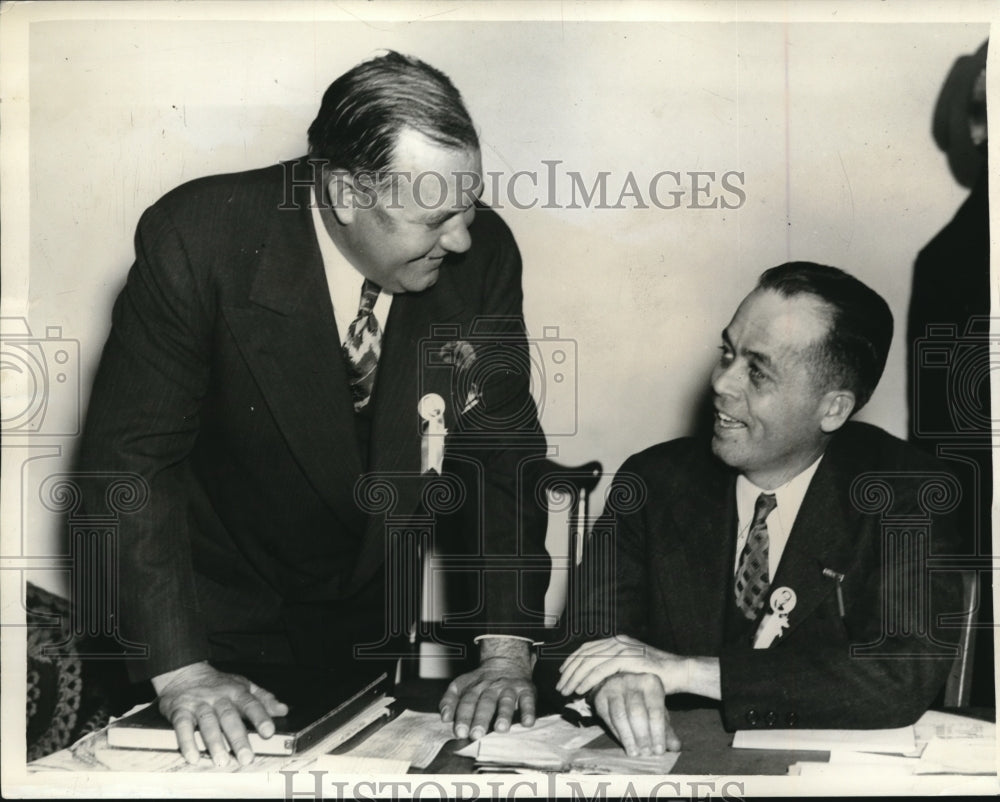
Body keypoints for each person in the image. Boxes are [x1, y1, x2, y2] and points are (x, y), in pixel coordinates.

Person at [76, 51, 548, 767]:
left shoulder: (483, 259)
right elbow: (129, 466)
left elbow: (502, 458)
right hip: (208, 624)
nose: (460, 238)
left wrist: (506, 651)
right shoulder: (200, 237)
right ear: (345, 193)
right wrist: (183, 673)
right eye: (434, 218)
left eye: (469, 205)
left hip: (364, 620)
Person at [549, 263, 963, 757]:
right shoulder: (653, 481)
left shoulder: (908, 493)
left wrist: (688, 672)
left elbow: (899, 675)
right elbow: (586, 635)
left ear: (833, 408)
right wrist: (611, 680)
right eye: (727, 352)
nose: (722, 383)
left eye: (757, 372)